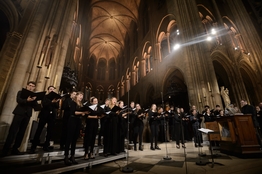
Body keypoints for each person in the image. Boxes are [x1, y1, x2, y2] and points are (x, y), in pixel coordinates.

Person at [2, 81, 37, 156]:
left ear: (34, 88)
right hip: (19, 113)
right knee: (12, 131)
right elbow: (19, 100)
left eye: (33, 86)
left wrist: (34, 100)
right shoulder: (21, 92)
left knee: (21, 132)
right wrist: (26, 100)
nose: (31, 87)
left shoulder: (34, 96)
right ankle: (6, 149)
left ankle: (15, 148)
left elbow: (36, 106)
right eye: (30, 85)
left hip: (27, 115)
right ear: (27, 86)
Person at [30, 86, 60, 153]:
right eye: (50, 89)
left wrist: (56, 101)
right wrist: (52, 101)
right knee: (39, 130)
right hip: (44, 115)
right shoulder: (45, 96)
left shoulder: (56, 98)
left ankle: (46, 146)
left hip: (52, 116)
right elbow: (44, 104)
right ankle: (33, 147)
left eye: (53, 89)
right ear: (48, 90)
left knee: (49, 132)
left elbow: (57, 107)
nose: (52, 90)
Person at [64, 91, 88, 165]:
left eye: (82, 96)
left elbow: (80, 113)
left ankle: (72, 156)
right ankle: (66, 157)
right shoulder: (73, 102)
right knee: (69, 139)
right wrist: (82, 112)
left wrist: (84, 113)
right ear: (76, 96)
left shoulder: (81, 104)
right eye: (80, 95)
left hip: (78, 121)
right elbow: (73, 112)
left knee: (74, 140)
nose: (81, 97)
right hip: (72, 120)